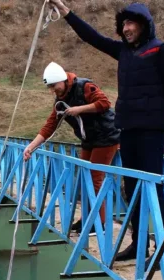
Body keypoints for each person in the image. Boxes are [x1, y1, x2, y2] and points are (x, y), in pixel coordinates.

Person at [48, 0, 164, 264]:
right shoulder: (123, 52)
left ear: (144, 24)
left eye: (131, 23)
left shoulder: (160, 51)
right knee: (131, 188)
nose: (126, 28)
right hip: (127, 129)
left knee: (154, 189)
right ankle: (138, 245)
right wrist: (65, 11)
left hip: (151, 130)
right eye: (123, 24)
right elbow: (92, 37)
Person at [23, 62, 120, 235]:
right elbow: (50, 126)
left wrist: (79, 109)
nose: (53, 90)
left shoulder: (84, 86)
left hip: (106, 136)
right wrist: (31, 147)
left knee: (95, 178)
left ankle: (101, 223)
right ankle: (88, 218)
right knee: (84, 177)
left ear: (62, 80)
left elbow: (104, 103)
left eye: (54, 86)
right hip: (89, 139)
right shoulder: (60, 101)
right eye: (50, 88)